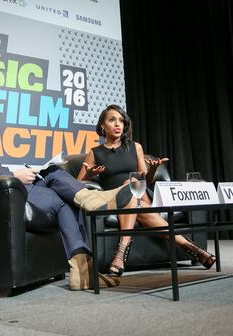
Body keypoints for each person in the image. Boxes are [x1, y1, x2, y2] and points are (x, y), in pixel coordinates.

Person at [0, 78, 122, 290]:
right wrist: (14, 176)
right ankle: (84, 267)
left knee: (51, 172)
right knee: (62, 199)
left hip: (3, 190)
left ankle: (91, 204)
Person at [77, 104, 216, 277]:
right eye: (112, 120)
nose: (118, 124)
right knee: (135, 197)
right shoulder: (95, 153)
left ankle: (121, 251)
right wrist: (89, 174)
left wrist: (152, 171)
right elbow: (77, 186)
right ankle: (193, 247)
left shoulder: (136, 147)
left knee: (132, 182)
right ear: (102, 126)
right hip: (116, 200)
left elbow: (145, 181)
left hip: (140, 193)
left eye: (121, 120)